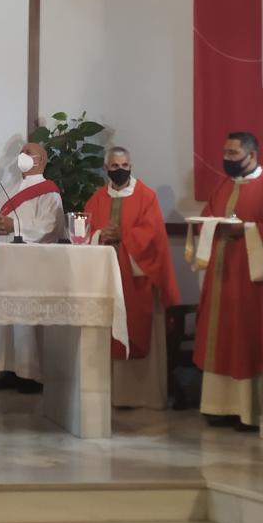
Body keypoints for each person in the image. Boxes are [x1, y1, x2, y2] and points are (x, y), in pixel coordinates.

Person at [194, 132, 263, 431]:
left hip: (253, 281)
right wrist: (213, 227)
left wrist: (248, 230)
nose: (226, 159)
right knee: (219, 337)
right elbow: (205, 219)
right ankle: (217, 407)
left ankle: (249, 411)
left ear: (252, 155)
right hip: (220, 277)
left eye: (233, 153)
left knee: (246, 339)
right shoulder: (223, 186)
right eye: (225, 152)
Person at [83, 147, 181, 410]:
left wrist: (123, 236)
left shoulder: (146, 196)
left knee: (138, 326)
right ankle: (111, 395)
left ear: (131, 166)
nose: (120, 170)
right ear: (106, 168)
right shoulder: (96, 199)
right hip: (105, 280)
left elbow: (153, 235)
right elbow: (86, 231)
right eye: (115, 166)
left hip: (137, 278)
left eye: (124, 165)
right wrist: (100, 235)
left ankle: (142, 396)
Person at [0, 141, 65, 391]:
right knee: (1, 316)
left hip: (32, 266)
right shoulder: (8, 189)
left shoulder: (49, 192)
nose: (22, 156)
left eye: (28, 153)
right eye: (21, 153)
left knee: (25, 319)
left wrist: (14, 227)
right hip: (4, 263)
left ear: (42, 160)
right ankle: (0, 369)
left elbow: (50, 226)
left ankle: (28, 373)